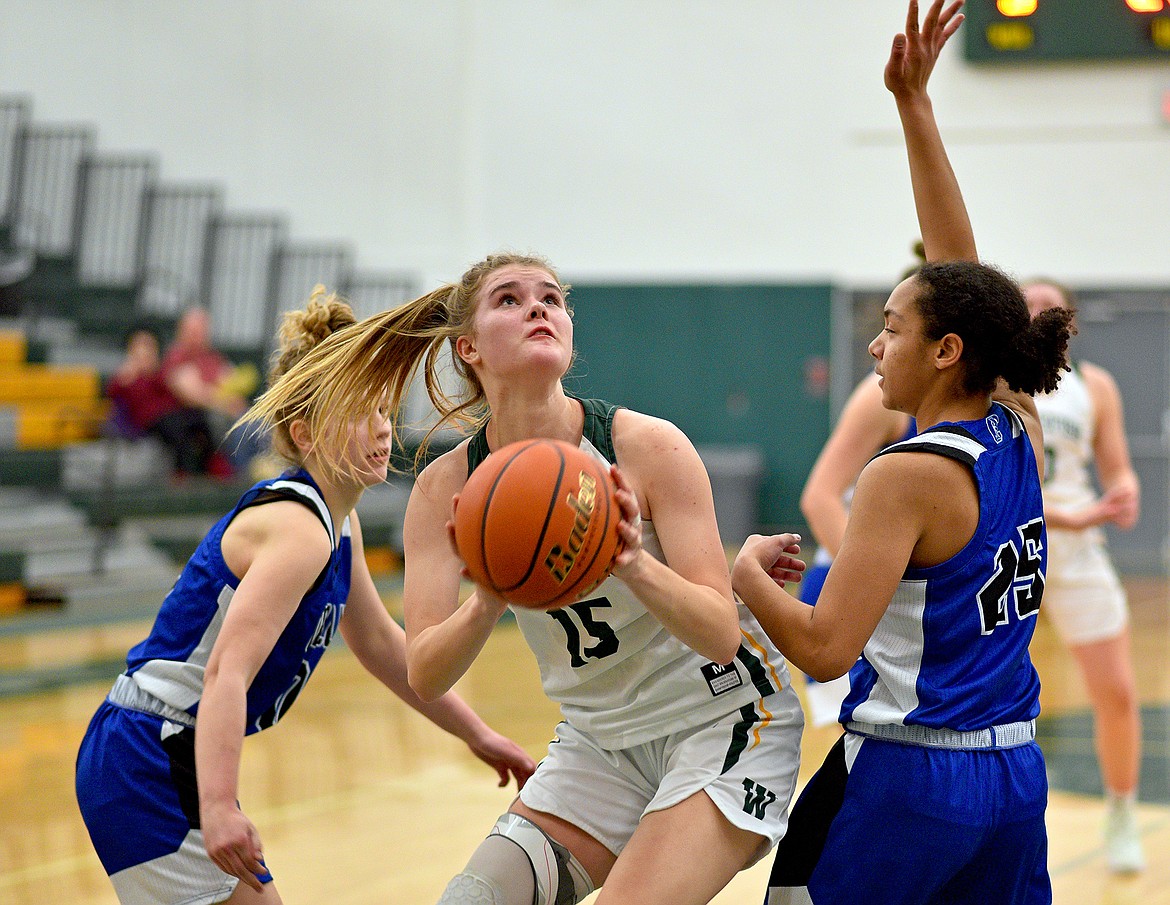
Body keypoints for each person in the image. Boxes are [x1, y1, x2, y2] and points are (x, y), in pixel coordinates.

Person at [268, 257, 806, 904]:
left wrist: (631, 559)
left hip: (724, 719)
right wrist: (487, 600)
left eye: (551, 297)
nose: (538, 308)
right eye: (510, 299)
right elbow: (427, 670)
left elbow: (721, 632)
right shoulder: (446, 489)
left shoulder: (647, 447)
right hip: (599, 740)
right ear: (468, 347)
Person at [731, 2, 1075, 903]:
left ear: (945, 350)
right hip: (1013, 774)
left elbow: (824, 647)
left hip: (911, 780)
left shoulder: (904, 475)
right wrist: (914, 108)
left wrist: (743, 574)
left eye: (890, 328)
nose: (877, 346)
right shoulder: (1015, 424)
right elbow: (965, 276)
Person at [75, 286, 536, 905]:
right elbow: (226, 672)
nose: (380, 426)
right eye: (358, 413)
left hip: (164, 751)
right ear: (306, 433)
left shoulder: (335, 522)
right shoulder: (300, 532)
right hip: (149, 755)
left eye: (381, 408)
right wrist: (217, 806)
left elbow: (380, 646)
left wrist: (477, 734)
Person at [1024, 278, 1145, 873]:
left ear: (1067, 321)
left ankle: (1121, 811)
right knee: (997, 692)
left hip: (1078, 551)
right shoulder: (994, 380)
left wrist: (1125, 493)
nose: (1037, 311)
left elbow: (1117, 469)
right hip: (1013, 546)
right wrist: (1068, 515)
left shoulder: (1094, 386)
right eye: (1026, 303)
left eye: (1049, 305)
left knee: (1117, 691)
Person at [797, 371, 913, 727]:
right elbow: (819, 499)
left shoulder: (990, 400)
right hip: (854, 590)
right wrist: (886, 593)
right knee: (864, 752)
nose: (877, 346)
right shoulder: (881, 396)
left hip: (922, 595)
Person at [105, 325, 217, 478]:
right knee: (176, 429)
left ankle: (211, 470)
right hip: (148, 421)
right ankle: (182, 474)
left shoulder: (157, 373)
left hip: (169, 413)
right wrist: (129, 375)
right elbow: (114, 394)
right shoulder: (127, 376)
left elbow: (169, 391)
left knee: (198, 421)